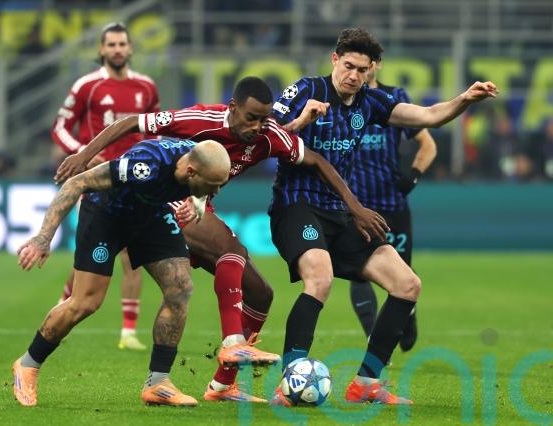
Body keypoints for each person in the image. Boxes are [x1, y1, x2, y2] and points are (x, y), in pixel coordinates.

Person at [55, 76, 387, 403]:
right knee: (232, 249)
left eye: (263, 119)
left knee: (261, 293)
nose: (258, 126)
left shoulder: (267, 134)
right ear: (232, 107)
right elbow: (131, 122)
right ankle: (232, 342)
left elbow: (315, 160)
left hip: (202, 205)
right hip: (168, 202)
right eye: (251, 117)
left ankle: (222, 386)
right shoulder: (200, 119)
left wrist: (354, 207)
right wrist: (84, 155)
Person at [269, 28, 497, 405]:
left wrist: (465, 99)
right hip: (297, 206)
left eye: (362, 69)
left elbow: (429, 116)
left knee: (408, 285)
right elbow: (264, 136)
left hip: (341, 212)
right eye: (348, 66)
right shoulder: (306, 89)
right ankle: (289, 382)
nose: (353, 75)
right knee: (320, 278)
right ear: (334, 60)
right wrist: (300, 124)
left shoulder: (371, 102)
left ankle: (366, 384)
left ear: (373, 68)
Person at [12, 139, 230, 408]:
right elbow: (75, 183)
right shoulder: (145, 165)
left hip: (150, 217)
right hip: (106, 216)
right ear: (191, 172)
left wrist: (198, 200)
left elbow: (204, 185)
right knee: (85, 303)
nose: (217, 190)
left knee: (180, 288)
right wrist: (44, 238)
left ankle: (158, 382)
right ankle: (28, 364)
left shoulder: (201, 160)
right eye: (213, 185)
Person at [51, 22, 160, 350]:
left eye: (122, 44)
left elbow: (155, 131)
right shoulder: (88, 86)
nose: (117, 49)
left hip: (137, 180)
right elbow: (60, 127)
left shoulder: (146, 86)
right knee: (89, 255)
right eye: (111, 44)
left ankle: (128, 332)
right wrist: (82, 154)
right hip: (97, 180)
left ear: (130, 48)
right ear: (101, 49)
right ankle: (62, 309)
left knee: (131, 254)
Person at [348, 58, 437, 351]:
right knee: (357, 271)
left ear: (377, 65)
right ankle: (373, 336)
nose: (361, 71)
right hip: (357, 207)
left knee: (402, 275)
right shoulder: (341, 100)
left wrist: (413, 176)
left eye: (366, 64)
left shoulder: (395, 98)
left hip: (393, 205)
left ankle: (408, 315)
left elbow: (428, 144)